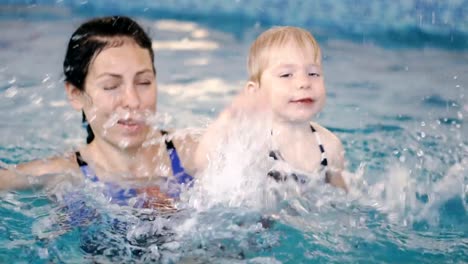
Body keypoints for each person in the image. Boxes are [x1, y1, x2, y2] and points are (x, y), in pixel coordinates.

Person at [0, 16, 198, 208]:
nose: (133, 101)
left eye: (143, 82)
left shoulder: (191, 154)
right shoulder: (61, 175)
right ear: (76, 94)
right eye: (111, 86)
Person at [195, 26, 347, 191]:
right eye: (286, 75)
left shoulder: (329, 146)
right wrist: (228, 116)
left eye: (313, 73)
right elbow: (202, 163)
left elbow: (342, 200)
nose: (304, 82)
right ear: (255, 92)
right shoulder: (252, 141)